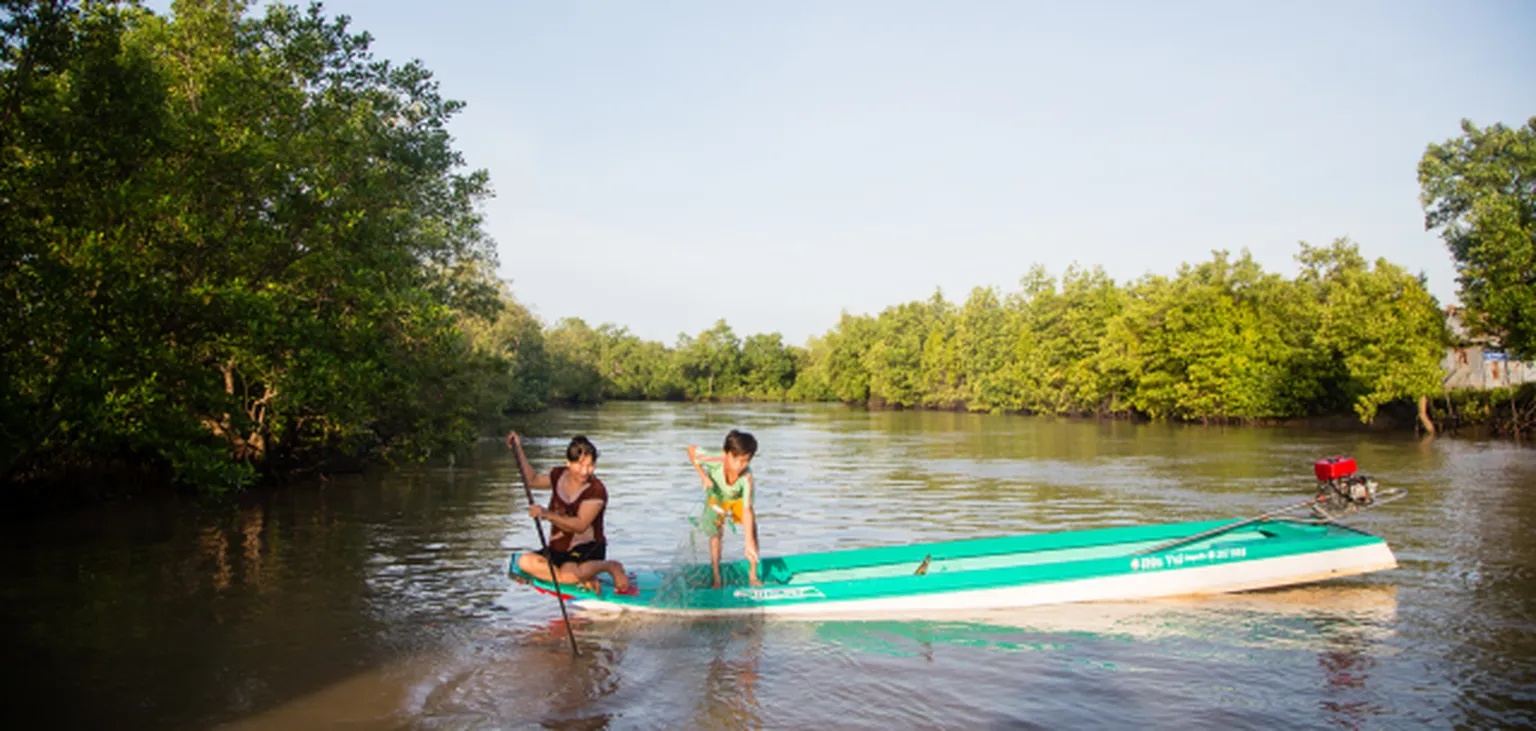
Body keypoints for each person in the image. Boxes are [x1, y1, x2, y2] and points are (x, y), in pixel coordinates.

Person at [508, 431, 630, 594]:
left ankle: (610, 566)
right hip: (558, 549)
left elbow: (579, 525)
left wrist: (546, 514)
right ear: (568, 463)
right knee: (525, 562)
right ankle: (583, 579)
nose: (585, 471)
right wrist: (518, 449)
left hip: (587, 548)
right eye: (580, 465)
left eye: (590, 465)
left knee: (568, 573)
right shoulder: (558, 475)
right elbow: (532, 480)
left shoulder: (596, 490)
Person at [687, 429, 761, 589]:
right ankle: (716, 577)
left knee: (752, 529)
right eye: (737, 460)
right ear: (726, 454)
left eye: (746, 461)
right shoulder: (715, 459)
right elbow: (691, 450)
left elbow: (747, 509)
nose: (741, 466)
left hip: (738, 499)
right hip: (717, 496)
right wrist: (703, 476)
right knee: (715, 532)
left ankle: (753, 576)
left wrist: (749, 542)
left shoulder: (747, 477)